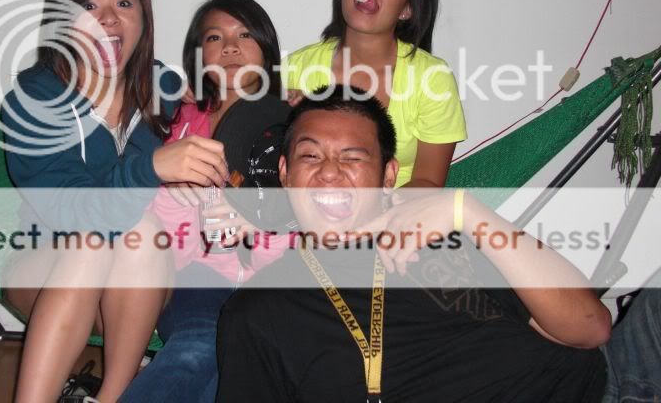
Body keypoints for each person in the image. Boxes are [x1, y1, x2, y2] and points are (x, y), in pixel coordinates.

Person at [217, 87, 612, 402]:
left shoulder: (447, 238)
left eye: (352, 158)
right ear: (285, 174)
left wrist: (470, 212)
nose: (330, 172)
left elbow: (590, 328)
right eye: (310, 155)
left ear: (388, 176)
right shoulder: (258, 311)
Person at [0, 0, 229, 403]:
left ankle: (114, 396)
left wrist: (292, 102)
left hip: (135, 287)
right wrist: (153, 167)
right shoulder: (34, 100)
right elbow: (70, 210)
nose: (107, 18)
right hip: (49, 271)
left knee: (141, 232)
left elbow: (228, 96)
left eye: (123, 3)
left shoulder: (163, 88)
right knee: (92, 242)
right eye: (88, 5)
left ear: (143, 16)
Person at [121, 0, 290, 402]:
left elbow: (307, 218)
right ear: (198, 55)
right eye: (215, 37)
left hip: (276, 282)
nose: (230, 46)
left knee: (244, 368)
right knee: (202, 346)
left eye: (244, 34)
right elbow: (148, 233)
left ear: (266, 48)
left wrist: (260, 223)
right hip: (196, 276)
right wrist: (176, 199)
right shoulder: (173, 120)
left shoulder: (294, 125)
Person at [282, 0, 466, 188]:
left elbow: (428, 183)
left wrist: (371, 213)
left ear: (407, 9)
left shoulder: (433, 78)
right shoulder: (294, 67)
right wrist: (291, 117)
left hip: (398, 210)